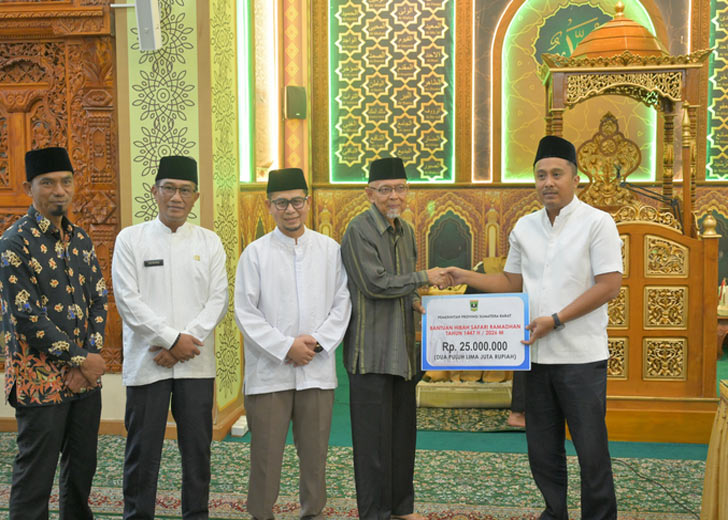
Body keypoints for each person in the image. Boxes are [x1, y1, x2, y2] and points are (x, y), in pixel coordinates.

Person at [444, 136, 621, 520]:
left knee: (591, 451)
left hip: (581, 358)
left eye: (557, 174)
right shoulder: (525, 227)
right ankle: (554, 512)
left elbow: (609, 285)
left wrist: (556, 319)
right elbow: (512, 282)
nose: (548, 182)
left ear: (576, 178)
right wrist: (465, 275)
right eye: (541, 175)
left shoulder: (598, 223)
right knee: (542, 451)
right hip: (535, 358)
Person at [112, 155, 228, 520]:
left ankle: (196, 515)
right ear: (154, 191)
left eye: (185, 190)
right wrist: (171, 340)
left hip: (196, 364)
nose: (176, 197)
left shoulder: (209, 242)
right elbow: (127, 301)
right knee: (142, 451)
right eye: (169, 189)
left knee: (197, 451)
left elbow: (218, 300)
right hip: (148, 362)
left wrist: (182, 344)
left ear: (196, 197)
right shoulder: (131, 239)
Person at [234, 167, 352, 520]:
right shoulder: (255, 254)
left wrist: (316, 344)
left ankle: (312, 512)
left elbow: (342, 303)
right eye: (281, 203)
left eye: (297, 202)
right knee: (266, 456)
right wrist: (287, 347)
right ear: (268, 205)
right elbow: (245, 312)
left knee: (315, 456)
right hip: (270, 372)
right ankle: (261, 514)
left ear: (308, 202)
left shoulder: (330, 250)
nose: (290, 210)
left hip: (316, 370)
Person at [0, 146, 108, 519]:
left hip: (84, 379)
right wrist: (82, 360)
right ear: (28, 188)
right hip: (39, 379)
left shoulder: (81, 240)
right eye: (47, 183)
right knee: (36, 476)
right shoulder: (14, 243)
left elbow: (99, 299)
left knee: (82, 469)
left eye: (65, 181)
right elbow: (27, 318)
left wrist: (89, 357)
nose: (59, 190)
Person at [340, 157, 450, 520]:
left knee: (402, 438)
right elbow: (375, 283)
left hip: (402, 352)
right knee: (372, 445)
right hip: (371, 354)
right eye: (385, 189)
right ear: (369, 193)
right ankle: (374, 513)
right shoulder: (359, 230)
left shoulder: (407, 231)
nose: (394, 196)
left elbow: (403, 284)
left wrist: (417, 300)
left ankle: (401, 508)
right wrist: (424, 277)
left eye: (400, 188)